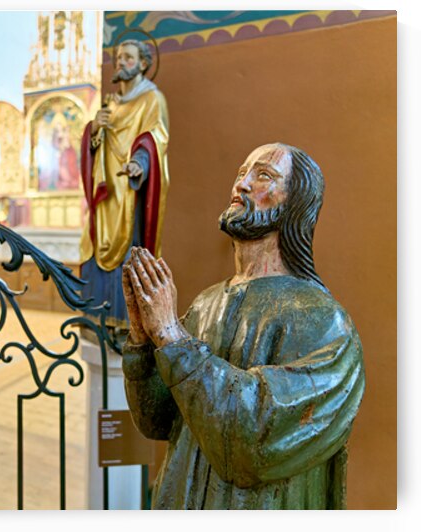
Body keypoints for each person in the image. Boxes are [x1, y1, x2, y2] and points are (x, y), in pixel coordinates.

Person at [121, 143, 365, 509]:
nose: (242, 185)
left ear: (294, 204)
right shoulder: (206, 303)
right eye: (241, 174)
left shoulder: (326, 322)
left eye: (263, 175)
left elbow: (254, 439)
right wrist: (143, 341)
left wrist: (171, 336)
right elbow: (158, 421)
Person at [78, 39, 170, 328]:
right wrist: (94, 130)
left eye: (127, 57)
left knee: (127, 252)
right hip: (104, 193)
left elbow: (156, 138)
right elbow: (96, 145)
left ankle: (124, 323)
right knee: (95, 247)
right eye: (118, 57)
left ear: (143, 63)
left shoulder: (152, 99)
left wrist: (139, 164)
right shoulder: (109, 103)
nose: (120, 62)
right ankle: (95, 317)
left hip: (130, 193)